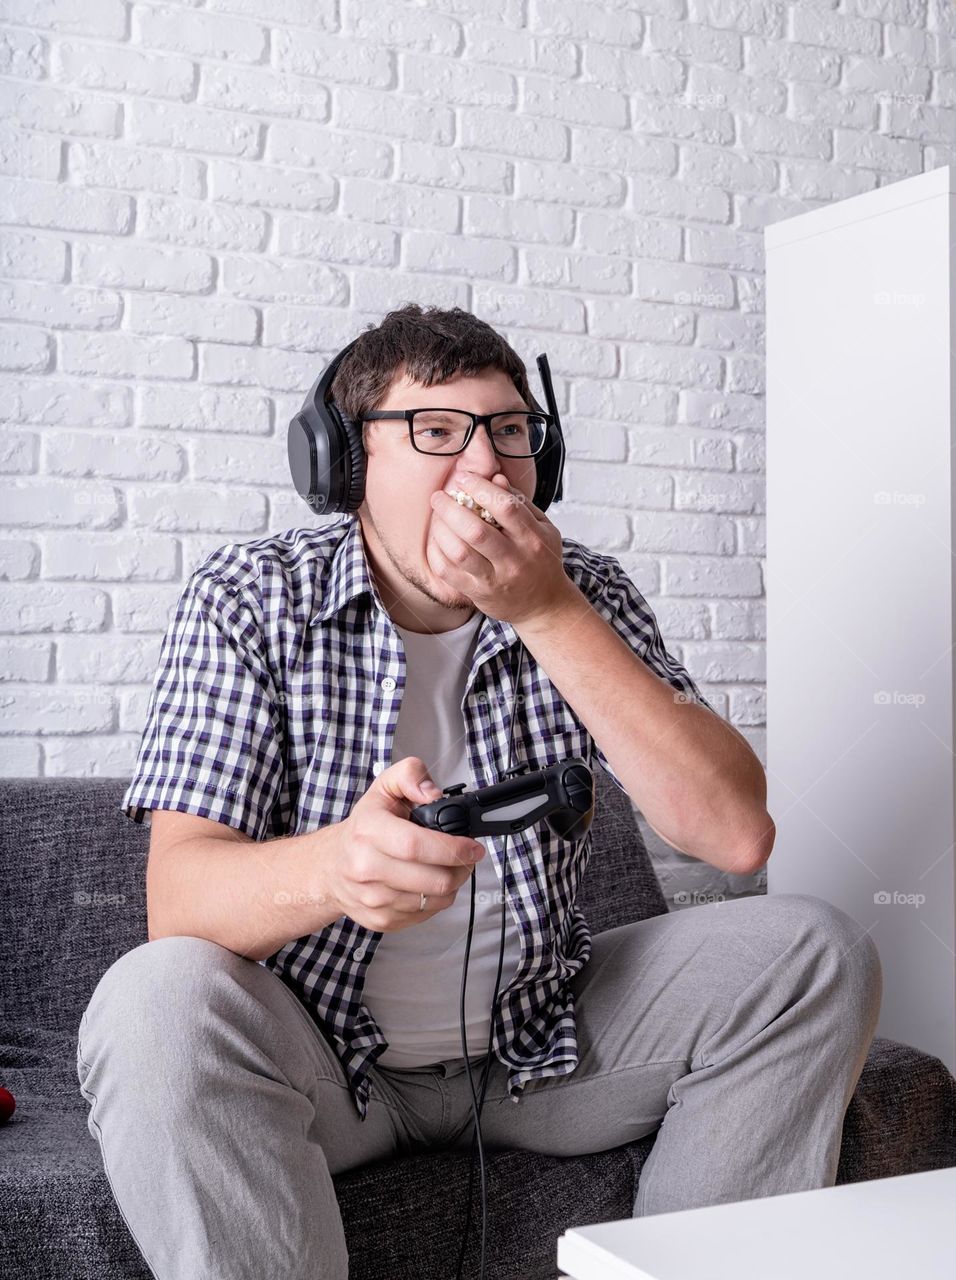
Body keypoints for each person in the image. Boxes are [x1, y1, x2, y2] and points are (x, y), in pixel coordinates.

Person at [76, 304, 882, 1280]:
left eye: (508, 430)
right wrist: (337, 865)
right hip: (324, 1064)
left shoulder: (580, 588)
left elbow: (730, 831)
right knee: (153, 996)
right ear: (343, 464)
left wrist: (546, 610)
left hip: (538, 1046)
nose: (487, 464)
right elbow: (182, 901)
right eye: (436, 431)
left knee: (806, 951)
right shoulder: (251, 594)